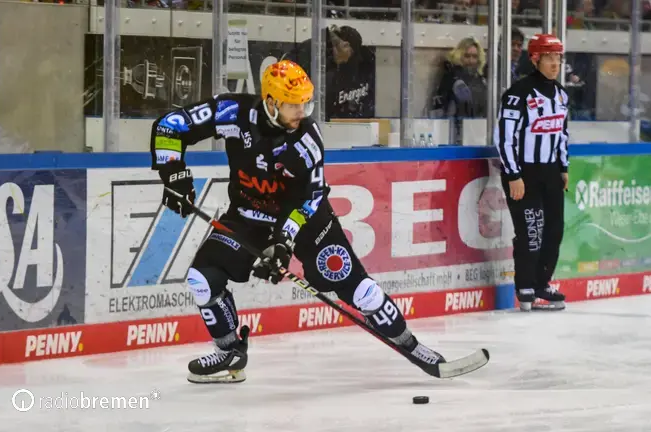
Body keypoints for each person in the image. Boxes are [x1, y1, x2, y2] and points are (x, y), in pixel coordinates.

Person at [149, 60, 445, 384]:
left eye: (305, 102)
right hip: (249, 214)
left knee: (361, 291)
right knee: (202, 280)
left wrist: (284, 242)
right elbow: (170, 126)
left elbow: (310, 197)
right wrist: (173, 174)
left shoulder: (307, 138)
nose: (301, 111)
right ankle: (230, 351)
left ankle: (411, 345)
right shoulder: (233, 112)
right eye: (293, 104)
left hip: (307, 220)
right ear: (271, 102)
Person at [492, 34, 569, 312]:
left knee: (554, 231)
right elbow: (504, 138)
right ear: (535, 59)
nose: (555, 64)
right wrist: (513, 175)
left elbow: (562, 134)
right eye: (549, 58)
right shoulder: (518, 93)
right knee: (531, 232)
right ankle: (525, 287)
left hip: (550, 172)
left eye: (558, 58)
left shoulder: (561, 94)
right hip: (524, 173)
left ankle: (541, 284)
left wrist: (563, 167)